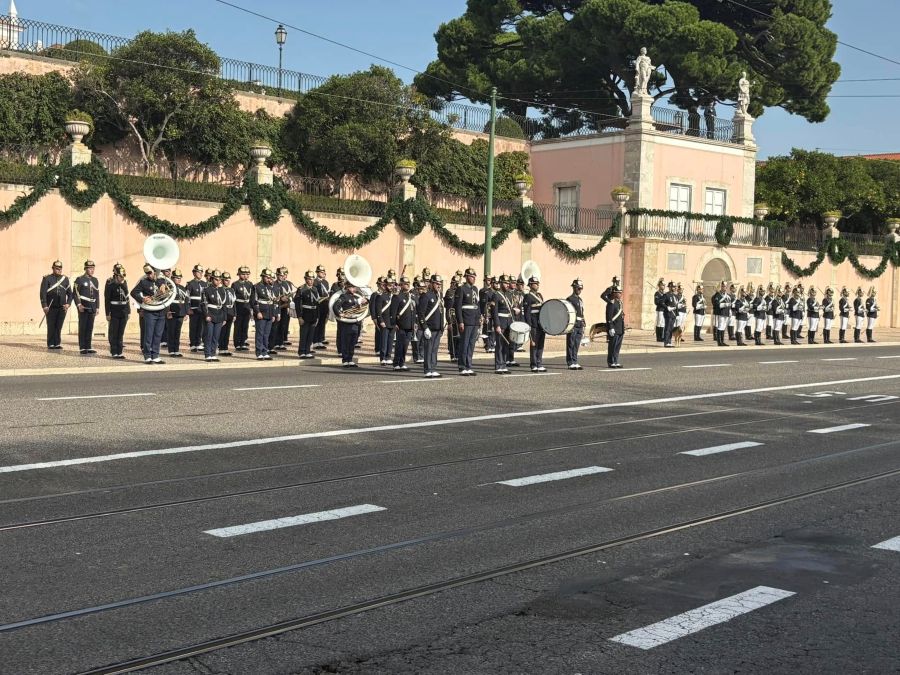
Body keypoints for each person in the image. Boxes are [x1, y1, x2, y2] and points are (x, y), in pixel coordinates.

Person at [130, 264, 166, 364]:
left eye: (150, 273)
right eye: (147, 273)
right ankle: (147, 356)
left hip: (161, 310)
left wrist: (164, 286)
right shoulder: (143, 282)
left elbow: (168, 288)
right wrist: (142, 299)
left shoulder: (161, 280)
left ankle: (155, 355)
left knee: (158, 334)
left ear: (155, 271)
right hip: (150, 311)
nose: (149, 275)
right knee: (149, 334)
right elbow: (133, 292)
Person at [418, 274, 445, 377]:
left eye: (440, 284)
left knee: (434, 350)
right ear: (431, 283)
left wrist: (441, 327)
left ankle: (433, 368)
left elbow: (441, 312)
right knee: (428, 350)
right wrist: (425, 328)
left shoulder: (439, 296)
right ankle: (427, 370)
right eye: (436, 283)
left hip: (437, 328)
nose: (438, 285)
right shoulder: (426, 295)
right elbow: (421, 313)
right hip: (429, 328)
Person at [40, 260, 71, 350]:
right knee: (51, 326)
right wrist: (44, 305)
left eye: (60, 269)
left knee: (59, 326)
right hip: (51, 306)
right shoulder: (47, 278)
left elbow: (70, 294)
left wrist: (68, 304)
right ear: (53, 268)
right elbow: (42, 293)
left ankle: (57, 343)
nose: (59, 270)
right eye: (57, 268)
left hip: (62, 307)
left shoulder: (65, 279)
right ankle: (50, 343)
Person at [455, 267, 481, 376]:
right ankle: (462, 366)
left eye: (474, 277)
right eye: (471, 276)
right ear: (466, 277)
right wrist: (460, 321)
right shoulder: (461, 289)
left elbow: (477, 305)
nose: (473, 278)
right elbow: (458, 307)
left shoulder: (475, 289)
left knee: (471, 345)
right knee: (464, 344)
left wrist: (479, 317)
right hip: (466, 320)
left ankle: (469, 366)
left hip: (474, 320)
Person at [251, 268, 279, 360]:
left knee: (266, 334)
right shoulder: (256, 287)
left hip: (269, 313)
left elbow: (273, 302)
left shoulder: (270, 287)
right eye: (267, 277)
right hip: (261, 313)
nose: (268, 279)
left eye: (269, 278)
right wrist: (257, 312)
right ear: (262, 277)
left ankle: (265, 351)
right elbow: (254, 301)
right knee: (260, 333)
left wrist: (274, 314)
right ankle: (259, 352)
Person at [390, 276, 417, 371]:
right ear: (400, 285)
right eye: (405, 284)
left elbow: (414, 311)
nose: (407, 285)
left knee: (405, 346)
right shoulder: (397, 296)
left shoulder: (412, 296)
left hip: (409, 325)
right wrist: (394, 323)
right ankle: (396, 363)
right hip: (400, 325)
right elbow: (393, 312)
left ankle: (402, 363)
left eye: (408, 283)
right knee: (399, 345)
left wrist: (414, 323)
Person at [73, 260, 100, 355]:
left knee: (90, 327)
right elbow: (75, 294)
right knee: (83, 327)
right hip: (83, 306)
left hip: (92, 306)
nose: (92, 270)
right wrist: (79, 305)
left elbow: (97, 294)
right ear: (85, 269)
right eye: (90, 268)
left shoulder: (95, 280)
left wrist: (97, 307)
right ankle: (82, 347)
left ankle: (88, 346)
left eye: (93, 268)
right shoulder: (80, 279)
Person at [104, 263, 130, 359]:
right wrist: (107, 313)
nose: (122, 278)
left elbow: (127, 297)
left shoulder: (124, 283)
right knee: (114, 332)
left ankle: (120, 352)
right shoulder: (110, 282)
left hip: (123, 311)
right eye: (120, 276)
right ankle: (114, 351)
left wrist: (128, 311)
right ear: (115, 275)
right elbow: (107, 299)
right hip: (114, 311)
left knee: (121, 332)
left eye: (123, 276)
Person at [337, 281, 365, 367]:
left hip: (355, 322)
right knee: (346, 341)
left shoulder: (356, 297)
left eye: (354, 287)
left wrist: (364, 302)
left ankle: (350, 359)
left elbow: (360, 308)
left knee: (353, 342)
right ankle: (345, 360)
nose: (354, 289)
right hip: (347, 322)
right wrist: (340, 314)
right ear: (347, 287)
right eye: (352, 287)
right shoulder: (343, 296)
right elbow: (336, 306)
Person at [201, 270, 226, 362]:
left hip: (219, 316)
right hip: (210, 315)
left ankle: (213, 354)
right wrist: (207, 315)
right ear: (212, 279)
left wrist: (224, 318)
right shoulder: (207, 290)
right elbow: (204, 304)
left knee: (216, 336)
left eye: (219, 280)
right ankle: (208, 354)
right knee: (209, 335)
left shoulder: (222, 290)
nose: (218, 281)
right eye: (216, 279)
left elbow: (224, 305)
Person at [522, 276, 546, 372]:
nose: (537, 285)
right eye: (535, 284)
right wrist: (528, 325)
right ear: (531, 285)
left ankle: (539, 363)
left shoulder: (540, 295)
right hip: (533, 324)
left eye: (538, 283)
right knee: (534, 344)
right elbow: (527, 312)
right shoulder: (528, 296)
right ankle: (534, 364)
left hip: (541, 324)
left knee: (541, 344)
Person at [492, 275, 514, 374]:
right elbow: (494, 312)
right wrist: (497, 325)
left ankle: (504, 365)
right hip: (501, 323)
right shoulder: (496, 295)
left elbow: (510, 311)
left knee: (506, 345)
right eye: (505, 283)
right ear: (500, 283)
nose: (507, 285)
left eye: (508, 283)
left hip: (509, 323)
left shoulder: (508, 295)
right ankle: (498, 365)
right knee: (499, 345)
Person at [295, 270, 319, 359]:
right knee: (304, 334)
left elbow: (317, 304)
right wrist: (299, 317)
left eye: (312, 279)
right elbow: (298, 304)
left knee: (310, 334)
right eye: (309, 279)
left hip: (313, 314)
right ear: (305, 279)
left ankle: (307, 351)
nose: (311, 281)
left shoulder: (315, 289)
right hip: (305, 313)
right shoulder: (301, 289)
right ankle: (302, 351)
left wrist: (317, 317)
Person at [166, 269, 188, 357]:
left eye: (180, 278)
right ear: (172, 278)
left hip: (181, 312)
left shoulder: (183, 288)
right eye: (176, 278)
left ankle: (176, 350)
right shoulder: (169, 287)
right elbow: (166, 300)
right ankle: (171, 350)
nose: (178, 279)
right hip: (172, 311)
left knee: (177, 332)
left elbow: (186, 300)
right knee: (171, 332)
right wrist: (168, 311)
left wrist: (186, 313)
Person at [232, 266, 254, 351]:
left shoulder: (250, 284)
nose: (245, 276)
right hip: (239, 306)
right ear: (239, 274)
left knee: (245, 325)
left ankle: (243, 342)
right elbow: (233, 298)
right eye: (243, 274)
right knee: (238, 325)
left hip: (247, 307)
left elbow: (252, 297)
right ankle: (237, 343)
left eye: (247, 274)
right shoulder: (235, 284)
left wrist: (251, 308)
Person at [185, 264, 207, 352]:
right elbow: (187, 298)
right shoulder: (190, 284)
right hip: (193, 309)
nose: (200, 273)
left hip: (202, 309)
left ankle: (198, 343)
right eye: (198, 272)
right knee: (193, 327)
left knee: (201, 327)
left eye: (201, 272)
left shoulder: (205, 284)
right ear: (194, 273)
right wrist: (188, 309)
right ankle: (193, 344)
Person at [565, 278, 586, 370]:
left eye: (581, 288)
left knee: (577, 343)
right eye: (578, 288)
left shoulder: (580, 299)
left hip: (580, 323)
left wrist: (584, 321)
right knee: (571, 343)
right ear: (574, 288)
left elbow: (581, 311)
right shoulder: (570, 299)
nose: (580, 290)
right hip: (573, 323)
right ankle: (570, 362)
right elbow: (568, 312)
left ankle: (575, 360)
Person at [606, 286, 625, 368]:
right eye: (619, 292)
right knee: (612, 346)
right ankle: (611, 362)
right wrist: (610, 327)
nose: (620, 294)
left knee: (617, 347)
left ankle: (616, 361)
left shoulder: (619, 302)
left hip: (620, 328)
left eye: (621, 292)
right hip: (614, 328)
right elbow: (609, 316)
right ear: (614, 293)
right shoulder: (611, 303)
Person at [218, 272, 236, 356]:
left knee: (227, 332)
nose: (228, 282)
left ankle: (225, 348)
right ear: (222, 281)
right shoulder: (219, 290)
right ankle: (221, 348)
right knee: (222, 331)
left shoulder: (231, 290)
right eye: (226, 280)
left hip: (230, 312)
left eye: (229, 280)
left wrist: (235, 314)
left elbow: (234, 303)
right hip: (223, 312)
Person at [313, 264, 330, 349]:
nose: (323, 273)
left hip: (325, 305)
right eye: (321, 272)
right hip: (318, 305)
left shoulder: (325, 282)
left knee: (322, 323)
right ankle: (315, 341)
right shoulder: (314, 282)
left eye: (324, 272)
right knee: (317, 322)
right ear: (317, 272)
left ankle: (320, 340)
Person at [711, 281, 731, 347]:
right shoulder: (717, 295)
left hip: (726, 313)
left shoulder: (728, 296)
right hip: (720, 313)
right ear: (721, 287)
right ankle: (719, 342)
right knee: (720, 326)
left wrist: (729, 310)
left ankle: (722, 341)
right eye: (723, 286)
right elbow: (717, 304)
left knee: (723, 327)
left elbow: (730, 304)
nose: (724, 287)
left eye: (725, 286)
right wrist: (725, 304)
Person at [662, 281, 678, 347]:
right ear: (670, 287)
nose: (674, 288)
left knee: (671, 328)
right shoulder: (666, 295)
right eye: (673, 287)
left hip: (673, 314)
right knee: (667, 328)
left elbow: (676, 305)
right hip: (668, 313)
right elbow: (661, 303)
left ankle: (669, 341)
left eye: (674, 287)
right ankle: (666, 342)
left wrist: (677, 314)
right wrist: (667, 307)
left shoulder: (675, 295)